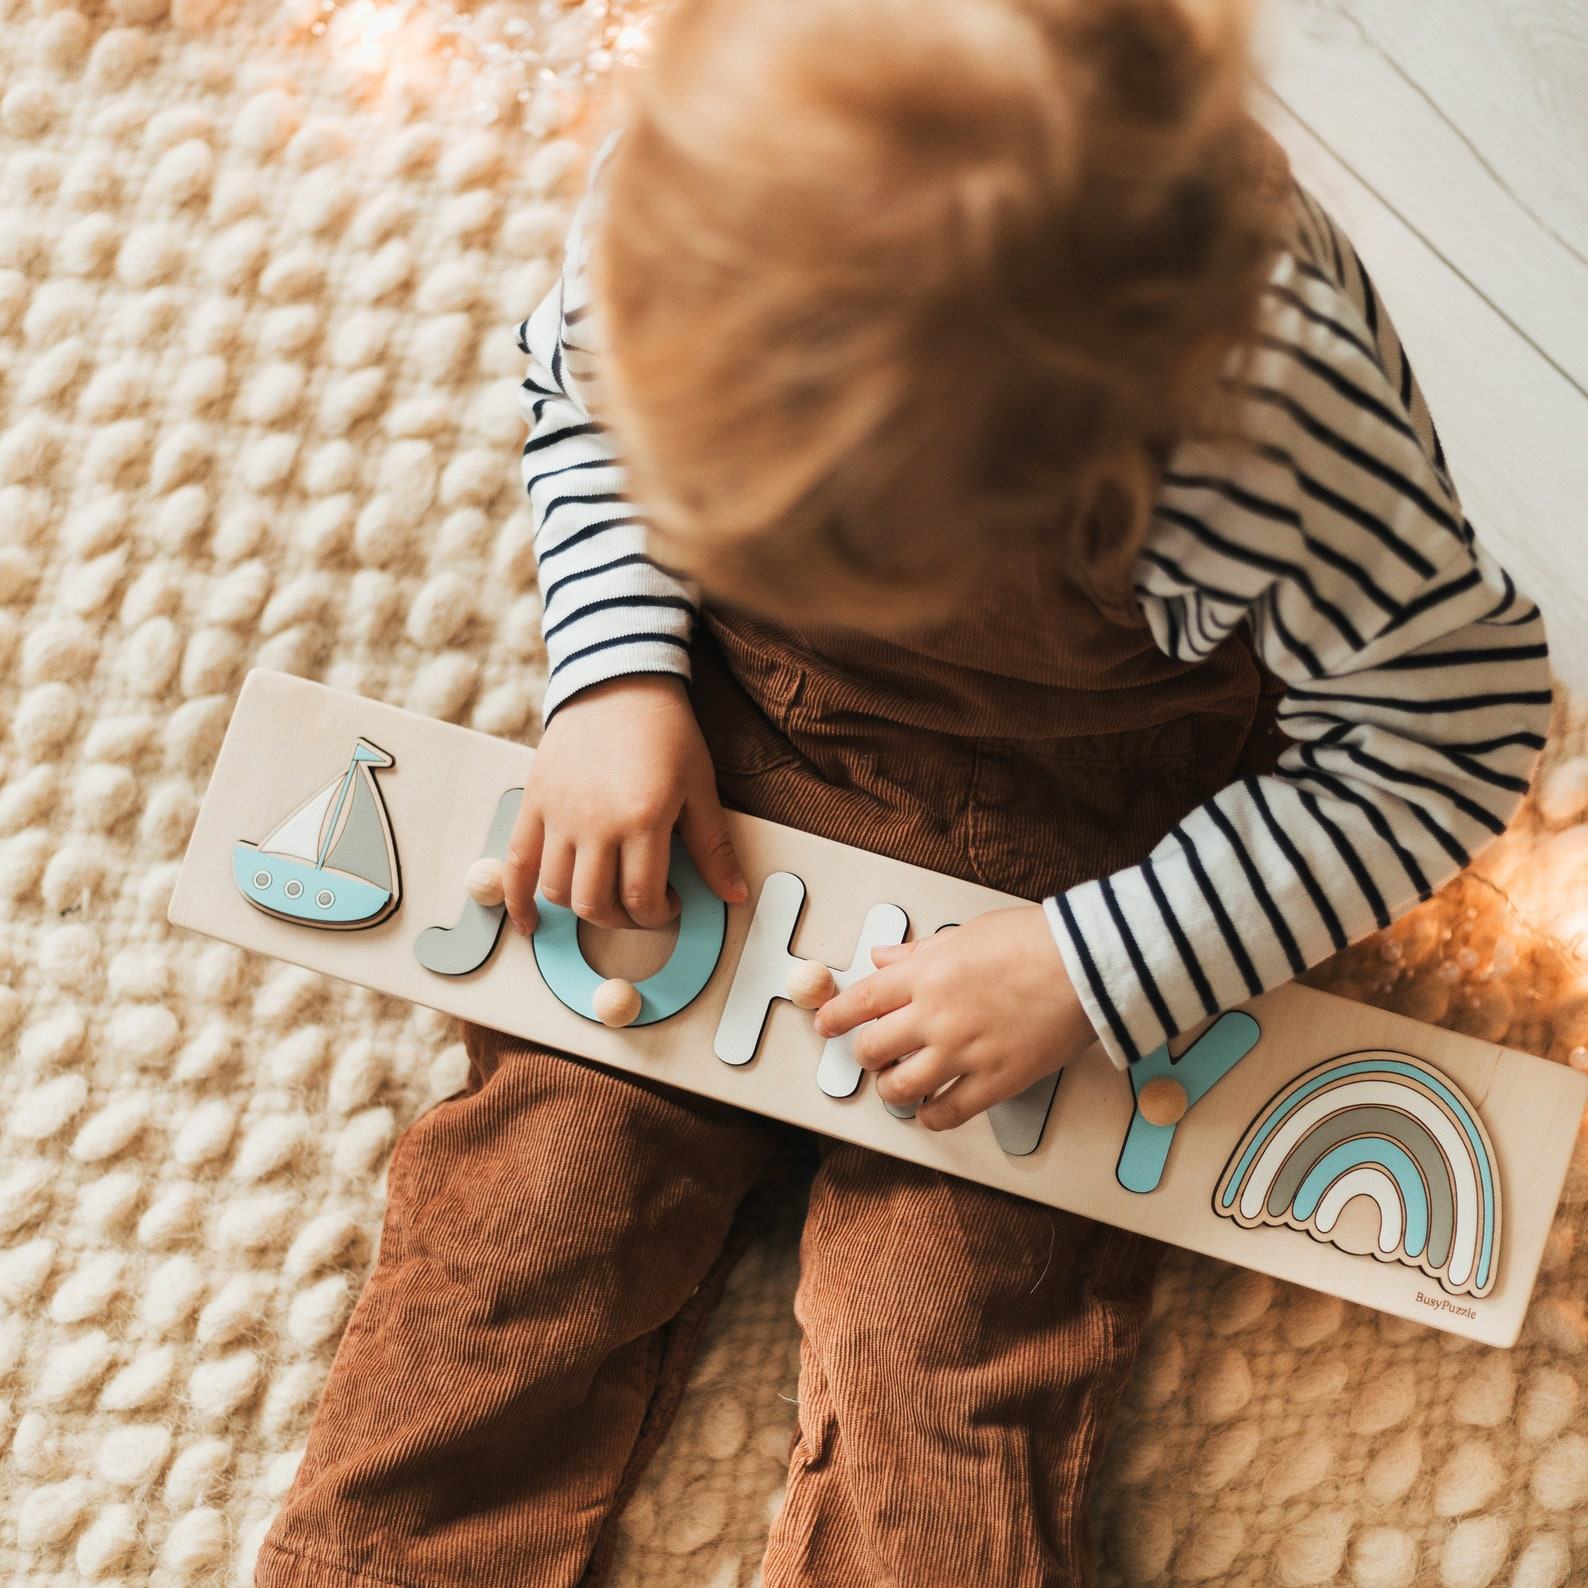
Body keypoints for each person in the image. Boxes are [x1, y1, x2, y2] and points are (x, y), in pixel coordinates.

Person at [255, 0, 1551, 1583]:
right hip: (730, 726)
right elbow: (585, 394)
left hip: (1084, 825)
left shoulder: (1251, 411)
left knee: (944, 1339)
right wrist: (615, 675)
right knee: (529, 1212)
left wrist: (1092, 967)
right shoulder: (716, 168)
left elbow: (1451, 724)